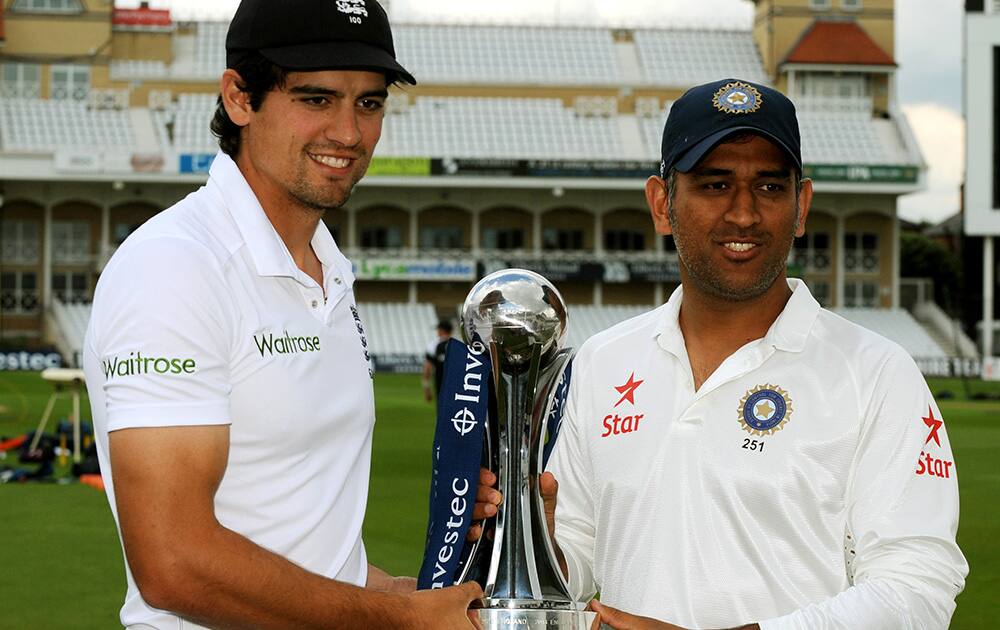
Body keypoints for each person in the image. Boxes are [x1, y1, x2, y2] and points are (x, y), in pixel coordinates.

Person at [82, 1, 499, 628]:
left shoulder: (327, 269)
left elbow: (303, 542)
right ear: (239, 99)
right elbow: (173, 563)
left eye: (369, 102)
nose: (350, 133)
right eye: (315, 99)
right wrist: (398, 622)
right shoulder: (176, 265)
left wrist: (398, 594)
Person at [541, 78, 968, 629]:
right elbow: (577, 553)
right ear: (661, 204)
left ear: (801, 205)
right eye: (715, 185)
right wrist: (536, 541)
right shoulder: (602, 361)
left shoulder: (877, 373)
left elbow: (917, 587)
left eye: (769, 187)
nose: (743, 214)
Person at [423, 319, 453, 401]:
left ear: (441, 330)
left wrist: (426, 388)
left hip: (441, 384)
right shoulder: (459, 345)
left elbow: (427, 368)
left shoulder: (433, 345)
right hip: (457, 386)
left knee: (442, 411)